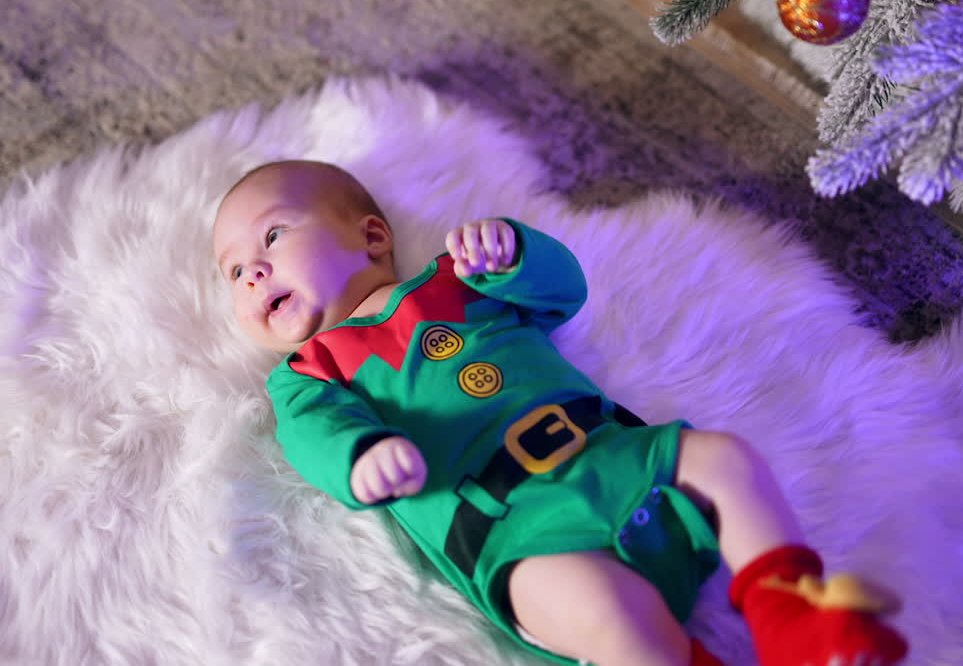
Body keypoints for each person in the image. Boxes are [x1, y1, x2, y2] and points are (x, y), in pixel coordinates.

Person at [211, 159, 909, 666]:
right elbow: (310, 433)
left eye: (272, 237)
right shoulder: (309, 373)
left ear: (370, 238)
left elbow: (562, 293)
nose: (254, 272)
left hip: (609, 455)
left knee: (725, 459)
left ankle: (792, 617)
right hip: (515, 531)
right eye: (235, 272)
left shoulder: (458, 279)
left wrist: (513, 253)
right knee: (606, 612)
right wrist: (359, 457)